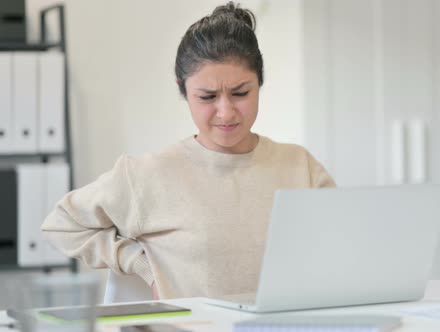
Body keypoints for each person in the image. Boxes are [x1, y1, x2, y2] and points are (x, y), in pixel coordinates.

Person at [41, 1, 335, 300]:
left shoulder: (300, 167)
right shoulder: (148, 174)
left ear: (260, 81)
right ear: (183, 90)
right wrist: (138, 263)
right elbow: (61, 225)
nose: (226, 112)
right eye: (207, 97)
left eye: (240, 93)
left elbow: (342, 251)